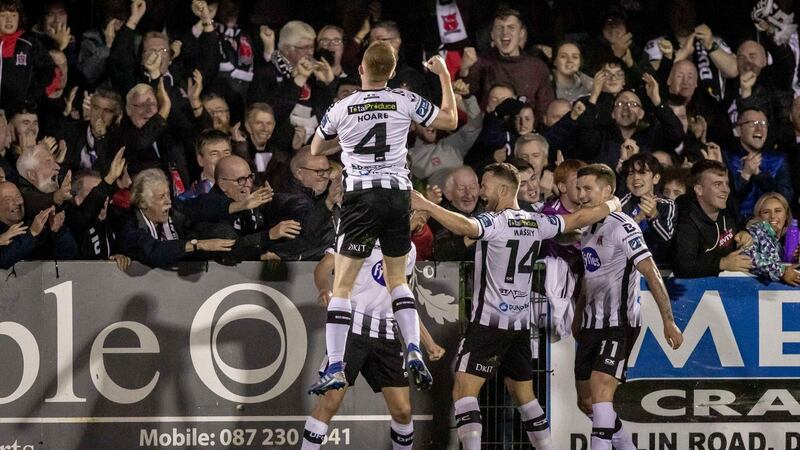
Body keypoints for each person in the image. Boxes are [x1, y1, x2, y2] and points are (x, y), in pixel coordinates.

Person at [410, 162, 623, 450]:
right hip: (521, 323)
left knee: (463, 389)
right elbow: (577, 219)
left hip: (489, 322)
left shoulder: (494, 222)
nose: (482, 192)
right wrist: (611, 202)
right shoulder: (536, 221)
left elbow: (464, 225)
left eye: (484, 185)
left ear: (502, 188)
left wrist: (427, 205)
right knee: (524, 396)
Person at [308, 41, 457, 395]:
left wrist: (345, 142)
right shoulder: (404, 101)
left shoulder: (342, 106)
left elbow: (315, 148)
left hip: (360, 195)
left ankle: (334, 364)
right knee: (398, 282)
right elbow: (449, 120)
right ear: (391, 73)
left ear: (361, 69)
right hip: (397, 194)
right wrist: (445, 77)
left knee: (342, 285)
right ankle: (414, 349)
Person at [572, 163, 683, 450]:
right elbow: (589, 275)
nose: (581, 194)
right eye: (579, 188)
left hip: (619, 323)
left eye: (588, 188)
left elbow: (651, 272)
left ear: (607, 191)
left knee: (600, 391)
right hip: (591, 324)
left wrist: (668, 320)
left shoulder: (622, 225)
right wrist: (578, 313)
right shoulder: (586, 225)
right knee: (586, 402)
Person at [301, 241, 444, 450]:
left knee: (403, 411)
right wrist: (324, 288)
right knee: (329, 403)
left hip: (386, 334)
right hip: (352, 328)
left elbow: (404, 301)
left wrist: (428, 342)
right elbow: (323, 266)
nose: (420, 219)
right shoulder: (359, 234)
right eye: (418, 212)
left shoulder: (409, 249)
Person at [461, 7, 554, 123]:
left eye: (511, 27)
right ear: (492, 35)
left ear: (521, 33)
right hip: (489, 132)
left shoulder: (537, 68)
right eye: (499, 28)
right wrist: (464, 70)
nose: (505, 32)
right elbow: (467, 91)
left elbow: (545, 109)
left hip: (526, 135)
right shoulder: (481, 62)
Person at [673, 160, 753, 278]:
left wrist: (743, 232)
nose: (725, 190)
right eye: (717, 184)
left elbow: (740, 224)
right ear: (699, 189)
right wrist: (722, 263)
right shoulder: (686, 220)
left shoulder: (728, 205)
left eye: (727, 183)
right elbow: (683, 266)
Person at [726, 108, 793, 219]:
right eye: (753, 124)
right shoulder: (727, 158)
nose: (759, 129)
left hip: (772, 227)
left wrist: (760, 175)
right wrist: (745, 175)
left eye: (763, 124)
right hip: (737, 226)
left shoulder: (778, 159)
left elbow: (786, 198)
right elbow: (727, 201)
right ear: (738, 130)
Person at [619, 153, 676, 264]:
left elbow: (668, 240)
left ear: (655, 178)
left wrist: (654, 216)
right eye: (631, 173)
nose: (635, 178)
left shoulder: (667, 204)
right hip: (625, 268)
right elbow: (611, 239)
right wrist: (636, 220)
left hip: (659, 269)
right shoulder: (619, 204)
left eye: (642, 173)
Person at [743, 192, 800, 285]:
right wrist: (781, 271)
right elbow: (747, 257)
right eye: (766, 212)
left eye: (778, 211)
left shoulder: (780, 240)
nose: (773, 216)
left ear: (786, 215)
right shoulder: (756, 231)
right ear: (759, 215)